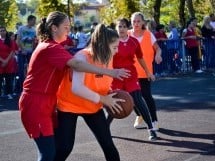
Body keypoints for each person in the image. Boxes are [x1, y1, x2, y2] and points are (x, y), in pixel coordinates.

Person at [18, 11, 130, 161]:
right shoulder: (51, 48)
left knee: (105, 146)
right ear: (54, 28)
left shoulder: (54, 46)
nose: (69, 30)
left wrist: (108, 92)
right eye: (66, 27)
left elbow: (96, 79)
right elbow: (77, 67)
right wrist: (109, 75)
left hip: (61, 102)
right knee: (53, 152)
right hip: (51, 103)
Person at [54, 24, 127, 161]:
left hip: (92, 106)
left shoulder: (108, 57)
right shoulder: (82, 57)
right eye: (114, 47)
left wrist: (109, 95)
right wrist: (103, 99)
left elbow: (100, 82)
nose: (117, 51)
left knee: (108, 146)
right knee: (64, 148)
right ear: (104, 46)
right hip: (69, 105)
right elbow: (77, 88)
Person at [107, 18, 157, 141]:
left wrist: (148, 72)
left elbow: (140, 58)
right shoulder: (111, 42)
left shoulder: (134, 42)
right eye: (119, 27)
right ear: (116, 28)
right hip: (116, 76)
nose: (122, 29)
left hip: (130, 75)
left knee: (138, 101)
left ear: (127, 28)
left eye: (124, 26)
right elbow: (106, 60)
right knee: (114, 102)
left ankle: (151, 129)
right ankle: (105, 128)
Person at [128, 12, 162, 130]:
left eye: (138, 21)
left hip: (145, 72)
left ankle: (154, 121)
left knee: (146, 96)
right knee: (130, 98)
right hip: (130, 73)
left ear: (143, 22)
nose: (136, 24)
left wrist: (158, 55)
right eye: (134, 21)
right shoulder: (127, 35)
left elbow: (158, 49)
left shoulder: (148, 35)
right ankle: (140, 114)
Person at [16, 15, 37, 93]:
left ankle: (29, 87)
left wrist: (34, 50)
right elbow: (17, 40)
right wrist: (22, 49)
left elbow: (34, 41)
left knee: (31, 70)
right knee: (21, 71)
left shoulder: (34, 30)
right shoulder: (21, 28)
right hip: (22, 53)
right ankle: (20, 89)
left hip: (30, 53)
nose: (35, 22)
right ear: (30, 20)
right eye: (34, 20)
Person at [0, 26, 17, 99]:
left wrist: (6, 60)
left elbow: (12, 51)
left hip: (9, 62)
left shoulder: (10, 41)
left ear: (6, 32)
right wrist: (2, 60)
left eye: (3, 30)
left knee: (8, 79)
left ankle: (9, 93)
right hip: (0, 62)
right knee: (0, 79)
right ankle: (1, 93)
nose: (2, 32)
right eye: (1, 31)